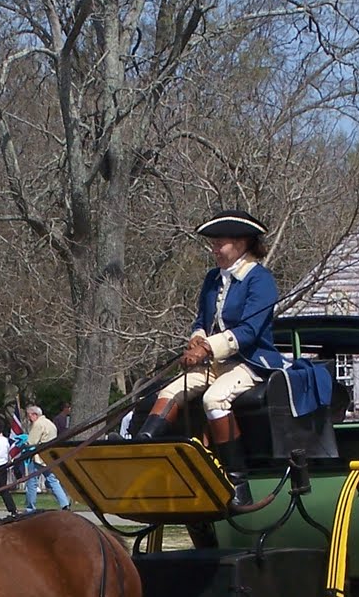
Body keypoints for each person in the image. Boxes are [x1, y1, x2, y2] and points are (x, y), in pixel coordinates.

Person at [135, 209, 328, 507]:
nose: (214, 250)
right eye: (213, 244)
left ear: (241, 243)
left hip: (251, 362)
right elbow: (201, 319)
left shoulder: (260, 280)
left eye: (219, 244)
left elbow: (250, 331)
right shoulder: (213, 279)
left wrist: (208, 347)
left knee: (215, 399)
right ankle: (144, 452)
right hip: (212, 361)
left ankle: (237, 479)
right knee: (170, 391)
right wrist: (196, 338)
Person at [22, 403, 72, 512]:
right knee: (53, 480)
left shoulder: (38, 424)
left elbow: (32, 442)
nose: (28, 418)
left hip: (38, 457)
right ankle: (64, 504)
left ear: (35, 414)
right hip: (49, 457)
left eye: (29, 415)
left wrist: (22, 443)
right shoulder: (50, 423)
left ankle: (30, 507)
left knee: (32, 482)